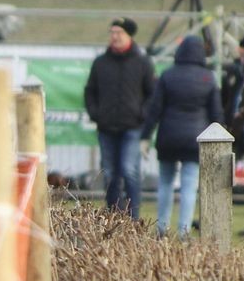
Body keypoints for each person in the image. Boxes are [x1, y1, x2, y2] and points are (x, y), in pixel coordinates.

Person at [141, 34, 221, 236]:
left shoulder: (168, 75)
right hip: (196, 139)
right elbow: (216, 113)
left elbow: (154, 109)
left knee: (166, 183)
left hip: (168, 137)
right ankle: (184, 230)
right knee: (189, 185)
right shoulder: (208, 77)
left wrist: (145, 136)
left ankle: (161, 228)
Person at [84, 17, 155, 220]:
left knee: (129, 170)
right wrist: (95, 113)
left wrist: (142, 114)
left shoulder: (142, 63)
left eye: (119, 33)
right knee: (110, 173)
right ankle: (113, 216)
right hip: (106, 127)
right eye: (112, 32)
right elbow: (90, 91)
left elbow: (152, 93)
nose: (114, 37)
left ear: (129, 36)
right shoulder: (101, 62)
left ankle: (133, 218)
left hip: (132, 127)